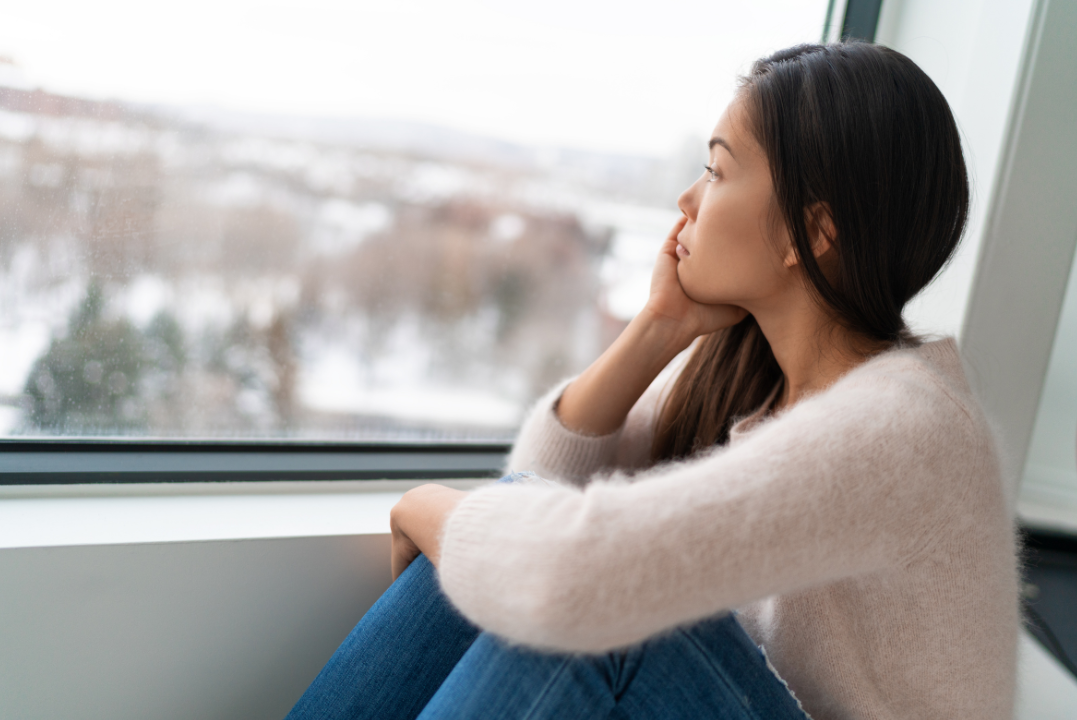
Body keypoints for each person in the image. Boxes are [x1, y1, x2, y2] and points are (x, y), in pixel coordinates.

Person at [287, 41, 1018, 720]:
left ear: (813, 233)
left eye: (717, 171)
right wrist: (658, 328)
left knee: (603, 615)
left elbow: (562, 577)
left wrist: (426, 507)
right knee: (513, 546)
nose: (687, 200)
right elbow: (544, 487)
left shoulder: (907, 427)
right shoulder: (759, 378)